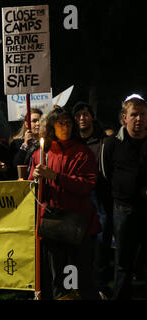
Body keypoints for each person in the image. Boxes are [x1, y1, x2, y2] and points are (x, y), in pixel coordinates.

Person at [28, 107, 101, 300]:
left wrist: (56, 176)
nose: (66, 127)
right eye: (61, 123)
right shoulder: (40, 154)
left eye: (69, 123)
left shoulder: (82, 153)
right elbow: (31, 191)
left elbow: (86, 185)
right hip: (52, 226)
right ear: (51, 126)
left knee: (80, 278)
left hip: (78, 226)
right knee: (56, 279)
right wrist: (34, 179)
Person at [101, 95, 147, 300]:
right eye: (134, 114)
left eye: (143, 114)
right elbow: (105, 173)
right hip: (123, 209)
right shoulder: (112, 143)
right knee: (123, 263)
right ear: (124, 118)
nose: (139, 119)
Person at [72, 101, 114, 298]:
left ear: (92, 117)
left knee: (101, 243)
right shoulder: (72, 142)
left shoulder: (104, 141)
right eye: (78, 115)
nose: (82, 118)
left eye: (85, 114)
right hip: (78, 198)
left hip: (100, 197)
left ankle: (99, 286)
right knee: (80, 245)